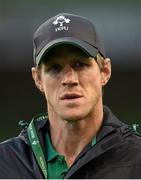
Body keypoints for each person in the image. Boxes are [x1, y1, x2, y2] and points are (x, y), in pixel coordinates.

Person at [0, 13, 141, 179]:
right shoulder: (5, 162)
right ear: (38, 79)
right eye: (54, 68)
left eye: (80, 64)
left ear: (105, 71)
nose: (69, 79)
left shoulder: (136, 159)